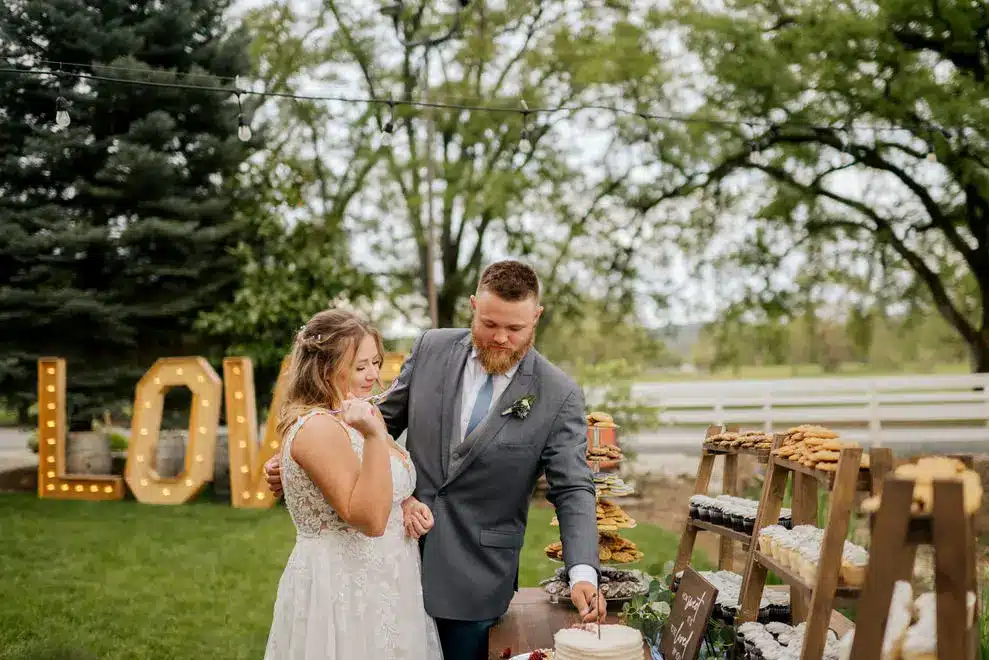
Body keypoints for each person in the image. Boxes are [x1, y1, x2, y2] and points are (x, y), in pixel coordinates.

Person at [266, 260, 605, 660]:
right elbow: (379, 421)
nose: (500, 338)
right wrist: (304, 462)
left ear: (537, 317)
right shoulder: (432, 348)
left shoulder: (558, 393)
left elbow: (573, 489)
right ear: (474, 305)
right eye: (489, 324)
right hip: (385, 565)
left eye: (515, 329)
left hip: (476, 575)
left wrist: (582, 571)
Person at [262, 308, 442, 660]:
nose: (374, 376)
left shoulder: (357, 412)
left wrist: (405, 502)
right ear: (324, 368)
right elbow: (369, 519)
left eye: (376, 362)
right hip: (342, 585)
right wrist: (375, 436)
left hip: (392, 579)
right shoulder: (317, 428)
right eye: (361, 367)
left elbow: (380, 482)